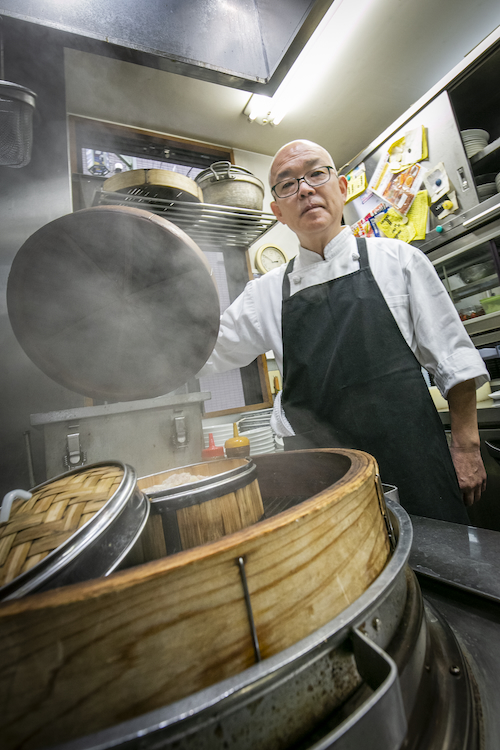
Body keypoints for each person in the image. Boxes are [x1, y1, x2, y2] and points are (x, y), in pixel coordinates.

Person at [199, 139, 489, 523]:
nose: (304, 188)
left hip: (414, 457)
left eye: (317, 174)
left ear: (342, 187)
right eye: (287, 184)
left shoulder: (399, 261)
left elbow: (454, 359)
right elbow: (203, 350)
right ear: (278, 212)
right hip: (320, 481)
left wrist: (467, 447)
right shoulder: (264, 293)